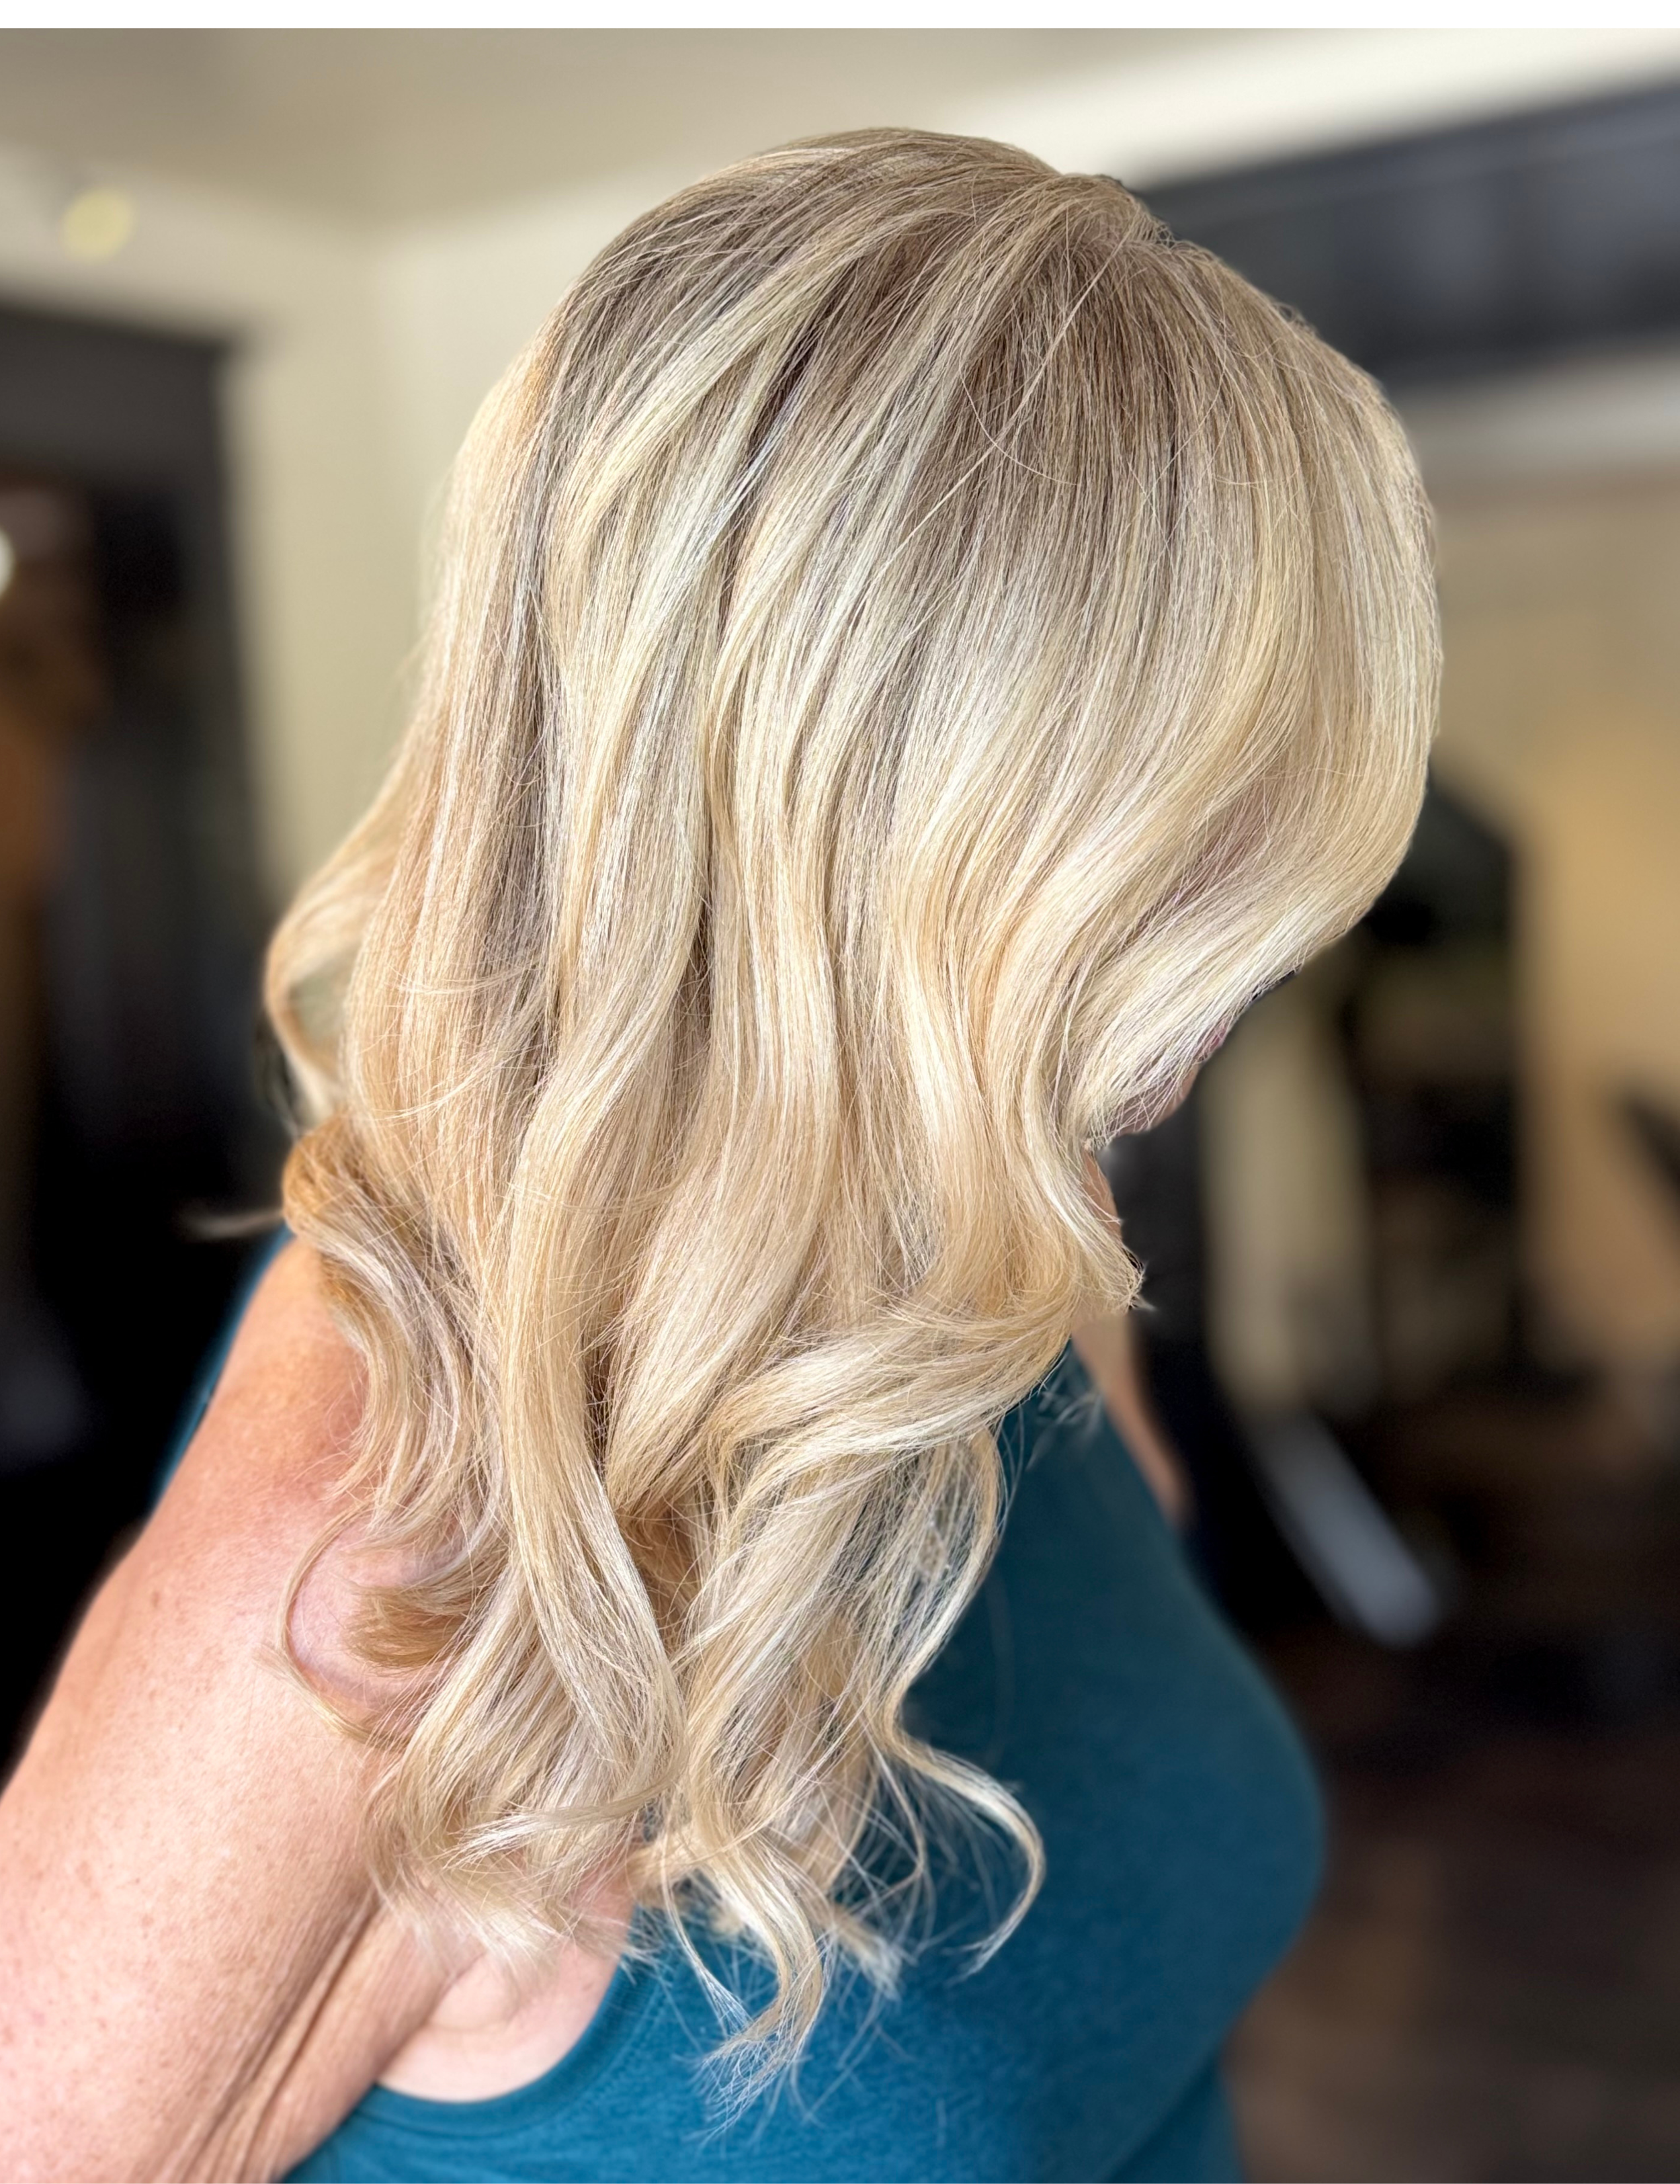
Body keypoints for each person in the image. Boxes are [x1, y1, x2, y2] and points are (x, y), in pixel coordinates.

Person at [0, 129, 1438, 2182]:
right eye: (1163, 860)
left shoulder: (1013, 1235)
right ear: (845, 822)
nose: (1241, 970)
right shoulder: (369, 1559)